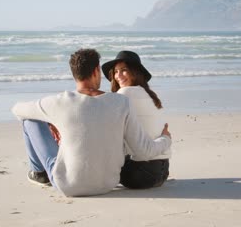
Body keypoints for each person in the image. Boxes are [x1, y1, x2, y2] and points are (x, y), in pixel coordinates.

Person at [11, 48, 172, 197]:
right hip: (108, 183)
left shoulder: (59, 102)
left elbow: (17, 109)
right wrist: (165, 139)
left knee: (30, 120)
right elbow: (142, 150)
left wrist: (52, 121)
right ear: (96, 71)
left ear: (73, 74)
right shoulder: (121, 102)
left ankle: (38, 173)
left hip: (69, 186)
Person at [102, 50, 171, 189]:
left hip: (139, 174)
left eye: (124, 70)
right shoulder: (152, 95)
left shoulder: (125, 93)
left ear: (135, 72)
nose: (118, 75)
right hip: (161, 172)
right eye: (115, 71)